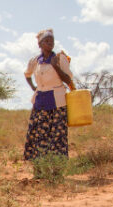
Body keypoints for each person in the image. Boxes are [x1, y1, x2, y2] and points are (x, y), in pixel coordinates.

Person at [23, 29, 76, 163]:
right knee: (39, 134)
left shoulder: (59, 58)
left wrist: (56, 67)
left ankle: (57, 166)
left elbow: (68, 80)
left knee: (57, 135)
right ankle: (40, 165)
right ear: (40, 44)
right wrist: (33, 88)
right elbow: (27, 74)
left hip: (57, 102)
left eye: (51, 41)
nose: (50, 43)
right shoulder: (35, 61)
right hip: (40, 101)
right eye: (46, 41)